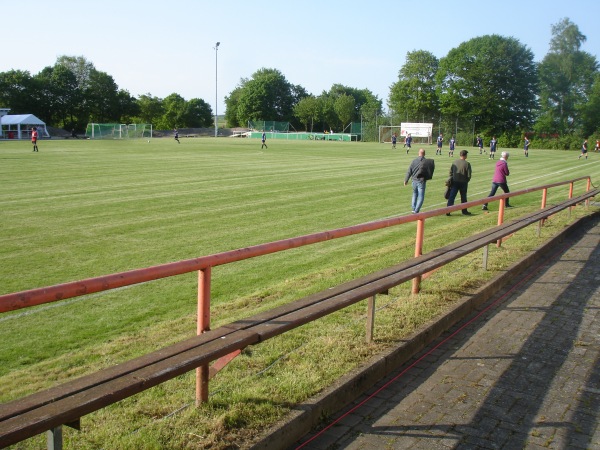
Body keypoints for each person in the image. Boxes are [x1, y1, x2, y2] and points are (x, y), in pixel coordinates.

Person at [404, 148, 434, 214]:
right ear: (424, 154)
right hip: (421, 181)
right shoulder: (426, 162)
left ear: (418, 153)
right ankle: (416, 210)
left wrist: (406, 180)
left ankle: (413, 208)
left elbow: (409, 171)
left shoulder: (414, 161)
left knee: (414, 194)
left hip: (414, 181)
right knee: (421, 196)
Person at [446, 150, 473, 216]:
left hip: (455, 182)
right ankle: (464, 211)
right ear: (465, 155)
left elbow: (450, 172)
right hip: (463, 183)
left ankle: (448, 210)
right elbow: (469, 175)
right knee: (463, 197)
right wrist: (466, 181)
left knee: (452, 197)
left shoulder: (455, 162)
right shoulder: (467, 164)